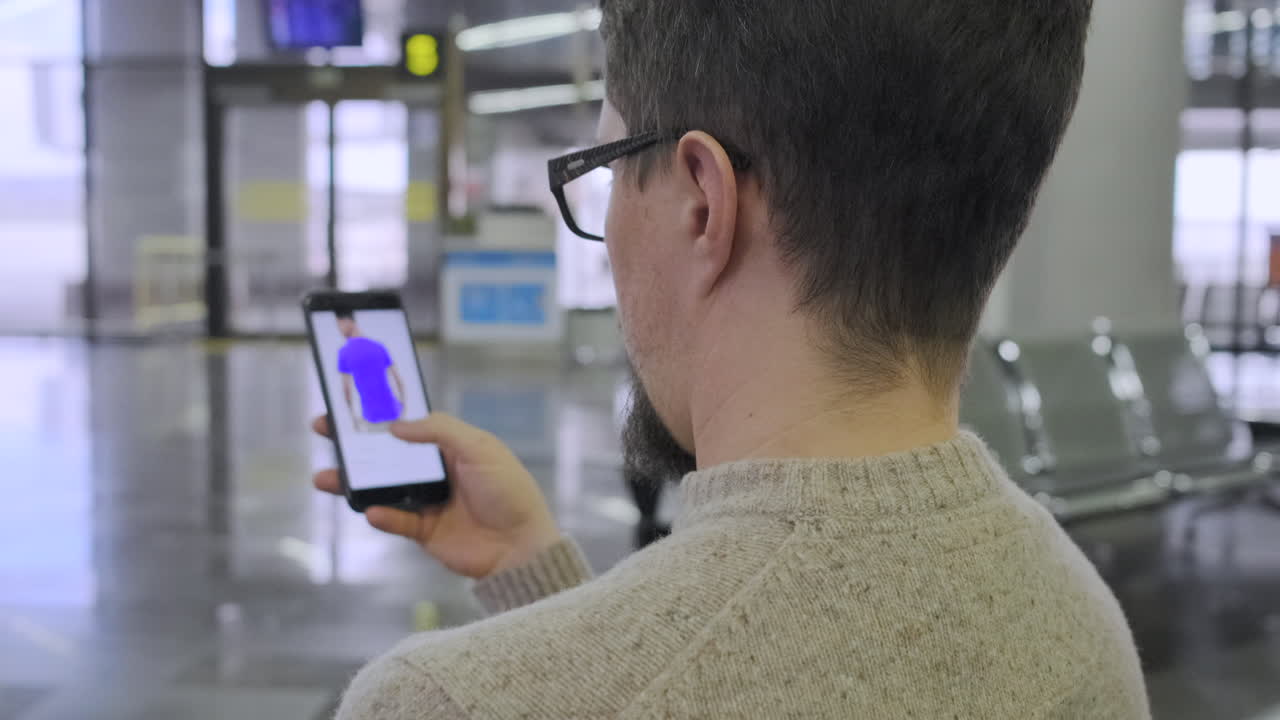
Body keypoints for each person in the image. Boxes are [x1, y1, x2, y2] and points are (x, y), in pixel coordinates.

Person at [311, 0, 1151, 717]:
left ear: (702, 202)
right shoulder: (1082, 626)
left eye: (603, 172)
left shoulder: (439, 704)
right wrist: (535, 575)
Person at [336, 311, 405, 432]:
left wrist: (353, 419)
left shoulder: (344, 352)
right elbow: (398, 381)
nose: (339, 329)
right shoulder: (379, 346)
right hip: (394, 414)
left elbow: (347, 390)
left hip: (371, 417)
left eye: (339, 325)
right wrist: (403, 407)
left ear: (348, 322)